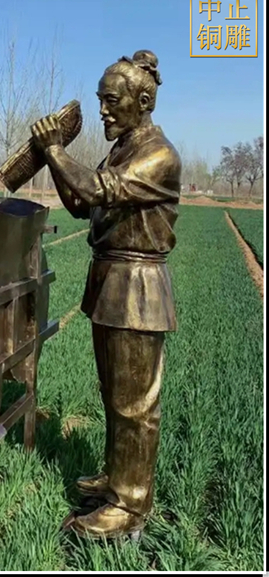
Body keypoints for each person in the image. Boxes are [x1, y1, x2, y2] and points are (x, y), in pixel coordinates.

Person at [31, 50, 181, 538]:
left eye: (112, 101)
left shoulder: (159, 155)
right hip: (112, 282)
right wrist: (51, 158)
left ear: (143, 101)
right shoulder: (120, 150)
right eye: (101, 100)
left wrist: (56, 150)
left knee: (136, 404)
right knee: (115, 395)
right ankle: (118, 478)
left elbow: (98, 189)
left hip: (139, 287)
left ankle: (130, 503)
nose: (103, 110)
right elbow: (81, 202)